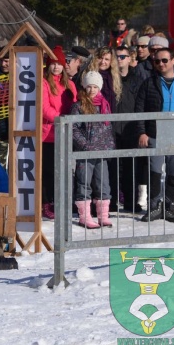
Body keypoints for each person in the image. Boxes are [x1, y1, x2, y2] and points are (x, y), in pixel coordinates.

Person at [135, 47, 174, 223]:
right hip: (156, 133)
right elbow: (139, 109)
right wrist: (142, 131)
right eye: (157, 61)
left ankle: (169, 208)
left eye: (164, 60)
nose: (160, 64)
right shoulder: (149, 83)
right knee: (154, 172)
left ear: (173, 61)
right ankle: (154, 206)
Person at [71, 71, 115, 228]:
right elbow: (74, 129)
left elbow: (108, 128)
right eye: (89, 86)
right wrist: (84, 145)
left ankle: (103, 215)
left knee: (103, 183)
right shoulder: (79, 105)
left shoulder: (104, 104)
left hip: (101, 151)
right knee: (84, 182)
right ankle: (85, 216)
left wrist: (109, 146)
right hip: (86, 151)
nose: (92, 90)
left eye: (95, 86)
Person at [41, 46, 76, 219]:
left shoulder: (70, 84)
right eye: (53, 63)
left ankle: (60, 201)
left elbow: (75, 104)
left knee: (62, 171)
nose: (56, 67)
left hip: (66, 134)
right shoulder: (44, 83)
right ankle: (46, 203)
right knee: (47, 171)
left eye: (59, 64)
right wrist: (61, 118)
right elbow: (44, 108)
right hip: (48, 134)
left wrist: (71, 119)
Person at [113, 45, 147, 212]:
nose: (120, 59)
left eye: (123, 56)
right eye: (117, 56)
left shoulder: (137, 78)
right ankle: (111, 201)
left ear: (129, 58)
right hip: (112, 129)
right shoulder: (109, 78)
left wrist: (141, 128)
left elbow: (141, 103)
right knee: (112, 167)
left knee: (130, 168)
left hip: (130, 128)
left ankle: (131, 201)